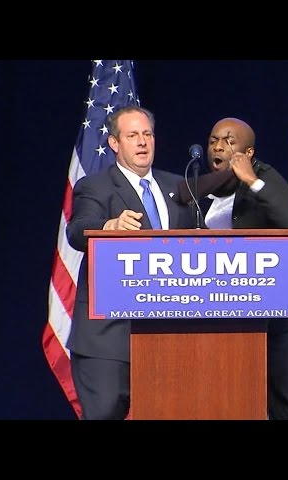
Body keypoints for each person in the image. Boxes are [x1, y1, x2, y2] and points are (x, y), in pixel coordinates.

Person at [180, 117, 288, 419]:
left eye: (229, 141)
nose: (218, 147)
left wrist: (251, 181)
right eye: (214, 140)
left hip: (266, 311)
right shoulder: (198, 187)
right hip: (214, 312)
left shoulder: (263, 177)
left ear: (249, 153)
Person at [66, 105, 192, 420]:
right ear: (114, 143)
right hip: (109, 337)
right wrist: (109, 227)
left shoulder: (179, 187)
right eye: (132, 135)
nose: (142, 142)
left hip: (169, 335)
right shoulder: (96, 186)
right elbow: (78, 231)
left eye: (147, 134)